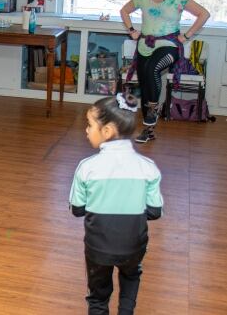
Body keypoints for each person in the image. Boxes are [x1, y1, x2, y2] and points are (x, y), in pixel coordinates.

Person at [69, 91, 163, 314]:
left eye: (89, 125)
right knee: (131, 275)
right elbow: (155, 211)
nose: (86, 130)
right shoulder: (148, 167)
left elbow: (77, 209)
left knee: (98, 296)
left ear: (107, 131)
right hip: (134, 246)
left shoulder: (87, 167)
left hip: (98, 247)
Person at [120, 0, 210, 143]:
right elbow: (124, 10)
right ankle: (149, 131)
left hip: (169, 45)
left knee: (153, 69)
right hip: (145, 45)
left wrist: (186, 36)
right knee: (145, 81)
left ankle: (152, 114)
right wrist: (132, 30)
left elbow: (204, 14)